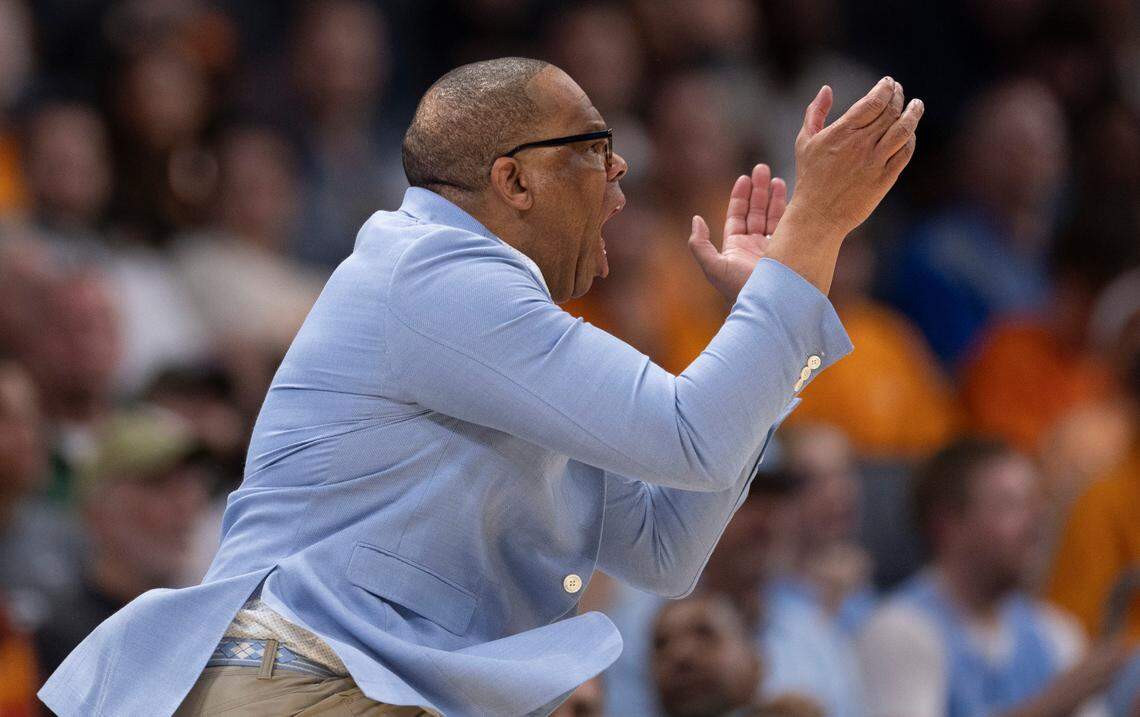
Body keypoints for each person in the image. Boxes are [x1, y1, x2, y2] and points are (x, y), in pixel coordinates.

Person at [41, 58, 922, 716]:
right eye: (598, 156)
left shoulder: (504, 334)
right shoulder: (435, 273)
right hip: (300, 674)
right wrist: (811, 238)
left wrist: (763, 313)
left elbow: (666, 549)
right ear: (514, 178)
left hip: (358, 684)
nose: (621, 190)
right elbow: (691, 434)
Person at [858, 437, 1132, 717]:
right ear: (947, 523)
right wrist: (1046, 706)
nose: (1036, 521)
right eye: (1011, 504)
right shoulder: (901, 631)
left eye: (1037, 502)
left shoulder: (1055, 633)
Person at [33, 406, 214, 679]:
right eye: (159, 484)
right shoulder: (59, 640)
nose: (185, 505)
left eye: (189, 484)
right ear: (97, 511)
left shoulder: (210, 626)